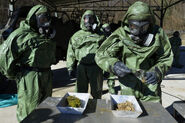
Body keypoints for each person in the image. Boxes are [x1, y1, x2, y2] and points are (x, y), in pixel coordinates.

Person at [95, 1, 173, 102]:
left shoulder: (158, 34)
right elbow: (101, 54)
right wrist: (113, 65)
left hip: (150, 82)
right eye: (133, 26)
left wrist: (157, 72)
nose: (138, 31)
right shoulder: (121, 34)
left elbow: (166, 57)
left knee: (153, 113)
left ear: (150, 24)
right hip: (129, 83)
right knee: (129, 112)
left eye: (143, 27)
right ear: (128, 22)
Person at [0, 5, 56, 122]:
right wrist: (14, 74)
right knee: (29, 110)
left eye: (47, 19)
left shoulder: (44, 35)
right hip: (30, 78)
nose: (45, 23)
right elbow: (4, 56)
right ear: (33, 18)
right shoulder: (21, 34)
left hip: (46, 76)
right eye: (42, 19)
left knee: (47, 107)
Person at [66, 10, 105, 99]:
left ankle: (96, 108)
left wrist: (107, 69)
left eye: (90, 19)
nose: (88, 22)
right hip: (81, 67)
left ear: (95, 20)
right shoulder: (77, 35)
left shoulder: (101, 35)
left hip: (96, 67)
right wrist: (70, 67)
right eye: (86, 19)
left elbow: (106, 52)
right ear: (83, 20)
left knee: (97, 91)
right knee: (80, 91)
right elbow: (70, 51)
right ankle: (80, 110)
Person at [101, 23, 116, 94]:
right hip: (101, 58)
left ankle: (111, 87)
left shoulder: (113, 36)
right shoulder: (100, 36)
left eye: (108, 28)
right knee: (99, 75)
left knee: (111, 74)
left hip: (110, 57)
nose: (107, 29)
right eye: (105, 28)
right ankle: (98, 89)